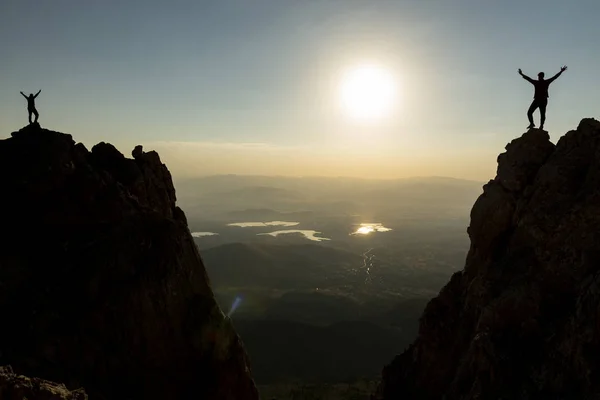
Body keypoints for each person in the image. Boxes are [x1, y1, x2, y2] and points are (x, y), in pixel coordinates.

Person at [518, 66, 567, 130]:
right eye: (538, 76)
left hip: (541, 100)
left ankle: (540, 125)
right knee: (531, 112)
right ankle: (533, 124)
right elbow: (528, 79)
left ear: (541, 76)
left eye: (539, 76)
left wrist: (561, 71)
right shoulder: (540, 82)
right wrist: (522, 74)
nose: (538, 77)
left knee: (541, 114)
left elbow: (555, 77)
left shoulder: (543, 82)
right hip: (540, 100)